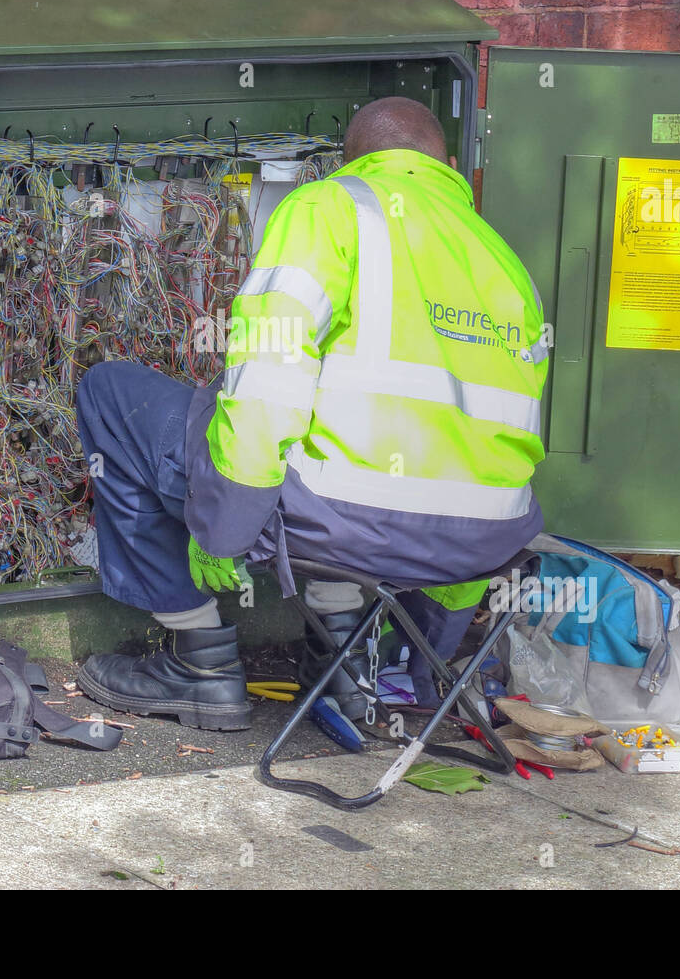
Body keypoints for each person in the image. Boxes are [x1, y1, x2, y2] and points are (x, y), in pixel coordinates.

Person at [74, 97, 548, 730]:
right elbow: (501, 441)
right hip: (480, 547)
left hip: (338, 525)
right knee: (347, 453)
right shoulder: (503, 257)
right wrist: (431, 640)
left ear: (350, 162)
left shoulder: (331, 207)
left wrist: (224, 526)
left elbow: (269, 380)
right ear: (450, 165)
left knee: (111, 393)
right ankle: (351, 663)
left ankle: (201, 663)